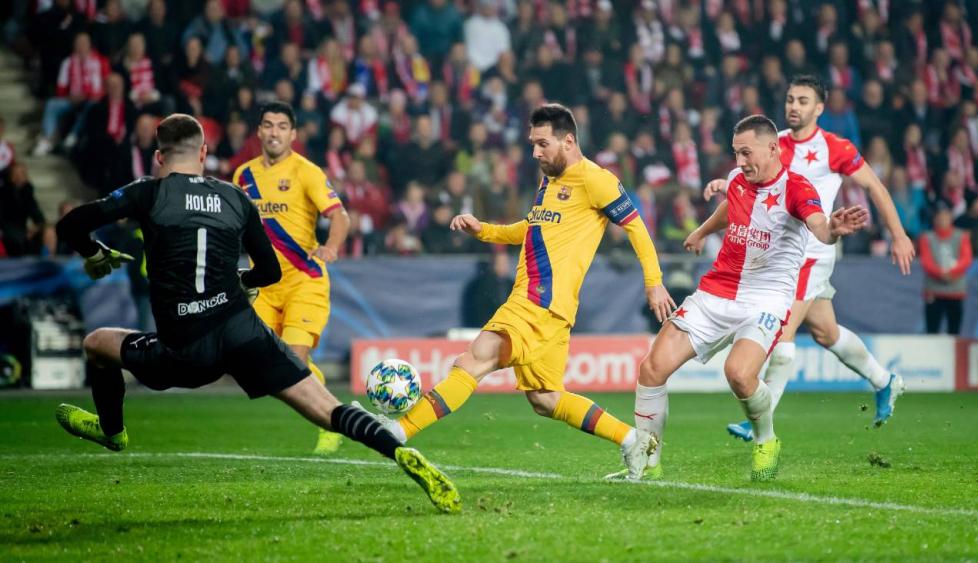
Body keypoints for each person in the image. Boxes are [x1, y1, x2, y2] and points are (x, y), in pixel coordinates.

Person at [53, 114, 458, 513]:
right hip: (241, 330)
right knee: (328, 408)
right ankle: (399, 452)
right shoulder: (236, 196)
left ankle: (112, 431)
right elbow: (269, 272)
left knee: (96, 344)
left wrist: (94, 254)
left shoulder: (147, 193)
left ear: (159, 157)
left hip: (185, 346)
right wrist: (242, 281)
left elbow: (72, 224)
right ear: (204, 152)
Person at [369, 104, 674, 480]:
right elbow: (531, 229)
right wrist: (484, 231)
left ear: (568, 140)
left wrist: (653, 282)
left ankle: (396, 432)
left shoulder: (597, 180)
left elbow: (636, 228)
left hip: (538, 301)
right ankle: (633, 440)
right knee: (545, 399)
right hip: (549, 308)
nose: (535, 153)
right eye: (532, 144)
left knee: (474, 361)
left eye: (542, 144)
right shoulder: (550, 180)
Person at [612, 115, 868, 482]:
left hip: (766, 300)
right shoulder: (737, 180)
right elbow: (729, 209)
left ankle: (766, 440)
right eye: (735, 153)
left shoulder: (797, 188)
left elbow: (819, 226)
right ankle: (649, 464)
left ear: (772, 148)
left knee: (739, 374)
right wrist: (701, 231)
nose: (740, 162)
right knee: (652, 369)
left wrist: (833, 231)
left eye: (746, 153)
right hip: (717, 291)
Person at [704, 76, 914, 441]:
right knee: (825, 332)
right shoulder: (773, 144)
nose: (793, 106)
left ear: (819, 108)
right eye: (789, 99)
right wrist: (727, 185)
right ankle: (886, 380)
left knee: (782, 334)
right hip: (782, 251)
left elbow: (874, 186)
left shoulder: (835, 147)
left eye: (803, 100)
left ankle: (760, 421)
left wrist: (898, 234)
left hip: (814, 253)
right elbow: (751, 182)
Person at [232, 102, 351, 455]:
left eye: (282, 126)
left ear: (293, 134)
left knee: (294, 362)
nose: (274, 132)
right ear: (259, 131)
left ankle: (333, 422)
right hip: (264, 288)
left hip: (304, 280)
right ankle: (331, 408)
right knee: (259, 367)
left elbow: (339, 215)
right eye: (268, 125)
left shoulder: (306, 172)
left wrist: (331, 246)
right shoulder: (243, 177)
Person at [920, 205, 972, 335]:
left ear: (951, 218)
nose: (943, 220)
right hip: (934, 290)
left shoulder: (961, 236)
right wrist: (941, 274)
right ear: (935, 219)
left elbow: (966, 259)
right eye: (940, 217)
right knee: (932, 329)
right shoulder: (927, 237)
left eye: (945, 217)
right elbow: (926, 261)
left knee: (954, 330)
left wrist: (951, 273)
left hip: (955, 291)